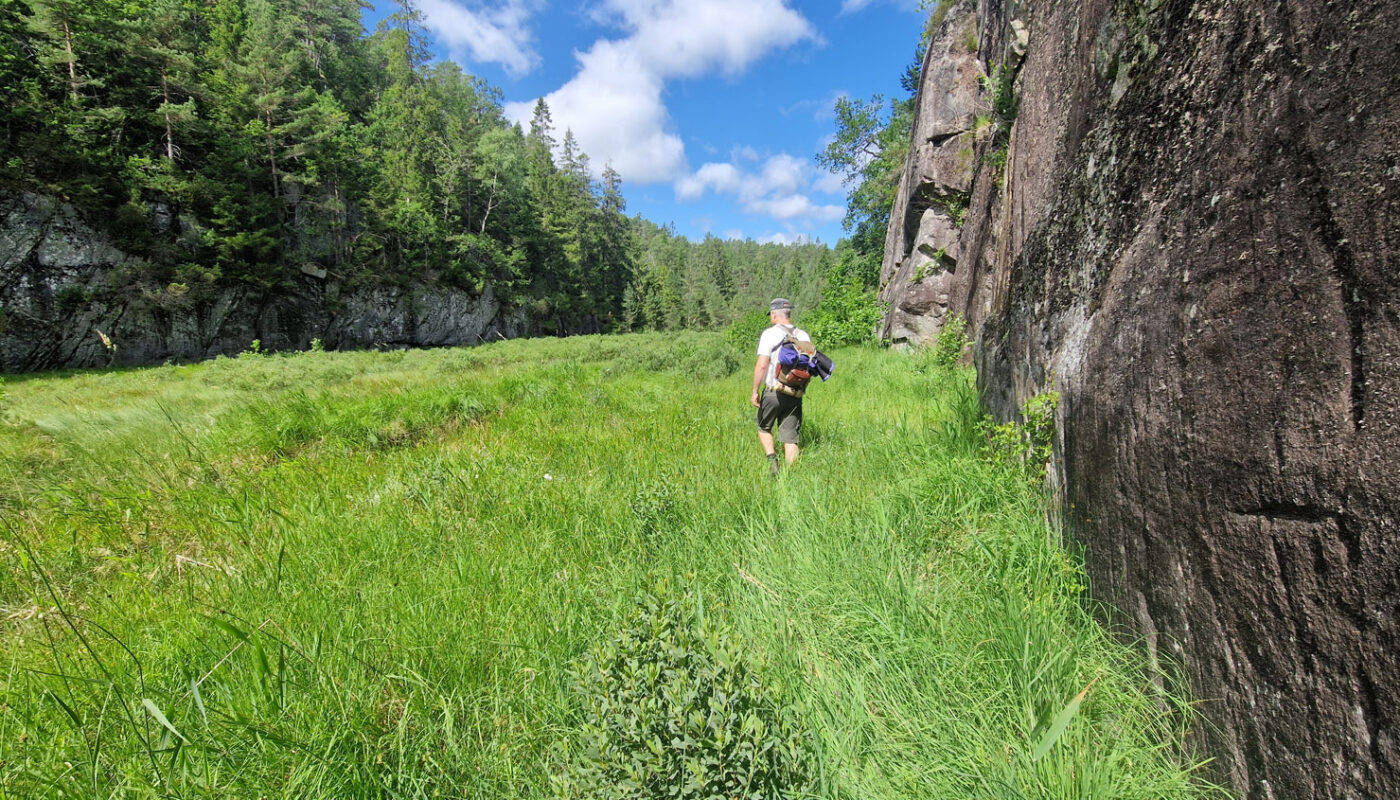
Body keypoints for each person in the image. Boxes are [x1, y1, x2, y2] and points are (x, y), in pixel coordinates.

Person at [751, 298, 811, 476]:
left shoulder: (769, 334)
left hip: (773, 392)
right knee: (790, 437)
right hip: (795, 393)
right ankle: (791, 477)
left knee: (764, 428)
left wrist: (755, 391)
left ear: (775, 315)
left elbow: (762, 365)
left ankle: (772, 462)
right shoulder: (803, 335)